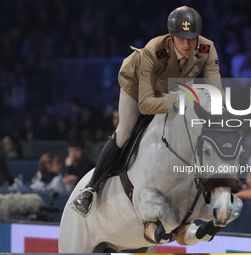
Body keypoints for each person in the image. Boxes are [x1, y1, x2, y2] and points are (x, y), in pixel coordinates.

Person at [71, 6, 224, 216]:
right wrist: (180, 102)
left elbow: (216, 91)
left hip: (174, 85)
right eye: (181, 38)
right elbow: (145, 103)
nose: (188, 44)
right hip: (137, 86)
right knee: (125, 132)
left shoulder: (207, 49)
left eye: (192, 38)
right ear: (171, 36)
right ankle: (90, 189)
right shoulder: (156, 49)